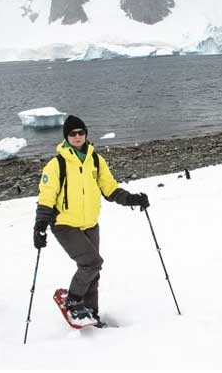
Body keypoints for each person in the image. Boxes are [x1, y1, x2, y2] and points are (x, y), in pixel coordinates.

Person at [33, 115, 150, 327]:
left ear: (86, 134)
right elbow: (47, 196)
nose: (77, 137)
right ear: (66, 137)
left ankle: (91, 313)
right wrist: (40, 225)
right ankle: (73, 300)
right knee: (92, 263)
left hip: (90, 223)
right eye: (72, 134)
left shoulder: (95, 160)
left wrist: (132, 199)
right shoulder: (56, 164)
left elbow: (110, 188)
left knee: (93, 272)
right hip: (64, 224)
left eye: (80, 132)